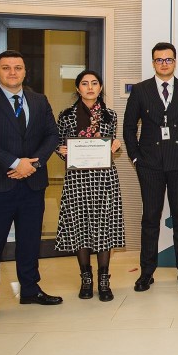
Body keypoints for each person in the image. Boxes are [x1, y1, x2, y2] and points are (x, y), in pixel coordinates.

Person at [0, 50, 61, 324]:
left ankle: (30, 290)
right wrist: (14, 163)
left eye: (18, 67)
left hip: (32, 184)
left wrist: (32, 164)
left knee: (29, 241)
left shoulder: (39, 100)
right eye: (6, 68)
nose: (12, 72)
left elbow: (52, 135)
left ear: (25, 71)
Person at [123, 42, 178, 291]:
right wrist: (136, 158)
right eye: (159, 60)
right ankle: (146, 272)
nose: (164, 64)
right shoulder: (140, 90)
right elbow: (128, 127)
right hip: (150, 165)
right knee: (150, 219)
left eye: (168, 59)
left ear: (175, 62)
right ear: (153, 62)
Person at [55, 70, 125, 302]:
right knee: (80, 226)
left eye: (94, 83)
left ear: (100, 87)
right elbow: (58, 144)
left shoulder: (110, 115)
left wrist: (115, 146)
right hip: (77, 179)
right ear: (78, 88)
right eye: (85, 84)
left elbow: (111, 145)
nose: (90, 87)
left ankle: (104, 279)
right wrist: (60, 151)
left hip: (104, 178)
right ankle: (86, 278)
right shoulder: (66, 116)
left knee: (105, 227)